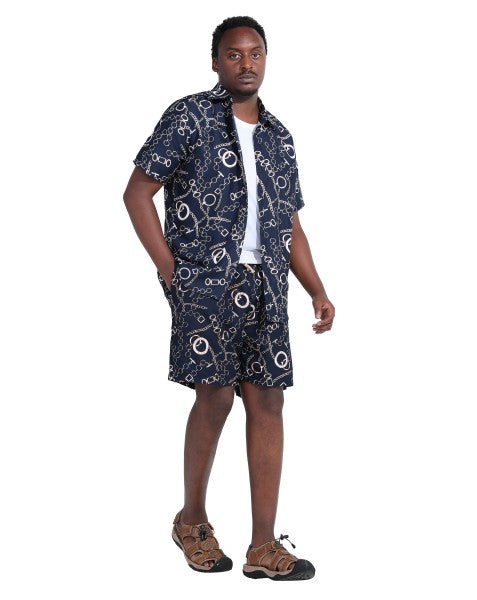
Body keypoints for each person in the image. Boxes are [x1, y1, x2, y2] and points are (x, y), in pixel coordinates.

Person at [123, 15, 334, 581]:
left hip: (266, 283)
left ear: (266, 59)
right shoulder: (189, 116)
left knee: (268, 402)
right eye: (234, 54)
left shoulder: (279, 137)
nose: (246, 63)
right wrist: (172, 271)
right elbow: (138, 192)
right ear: (216, 61)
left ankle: (263, 545)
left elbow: (290, 223)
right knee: (214, 398)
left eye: (255, 53)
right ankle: (191, 521)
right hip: (206, 282)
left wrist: (316, 288)